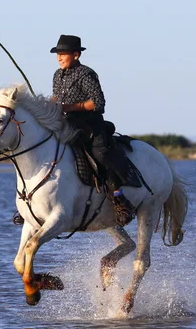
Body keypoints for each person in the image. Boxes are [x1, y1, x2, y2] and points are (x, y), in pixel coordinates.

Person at [50, 34, 135, 226]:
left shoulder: (86, 74)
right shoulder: (57, 75)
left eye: (63, 54)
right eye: (58, 54)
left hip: (89, 126)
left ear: (76, 55)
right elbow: (56, 98)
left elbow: (98, 103)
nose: (59, 58)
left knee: (101, 154)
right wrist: (48, 105)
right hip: (65, 125)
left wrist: (70, 107)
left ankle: (119, 198)